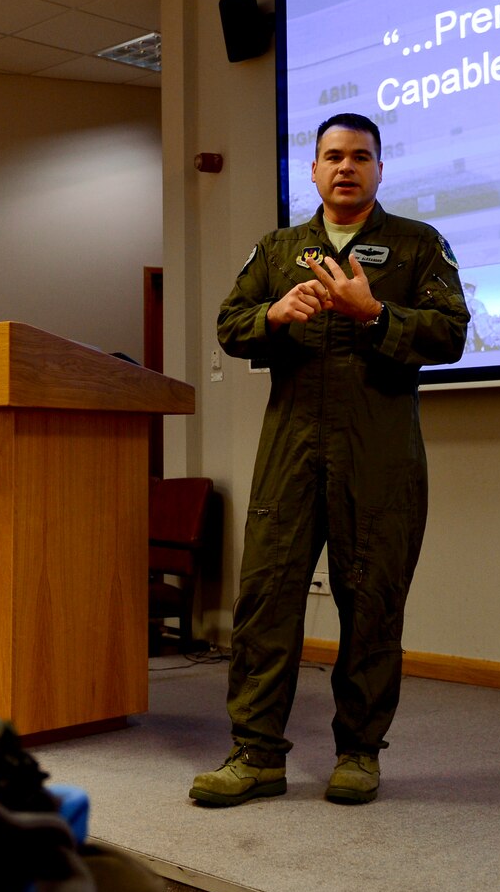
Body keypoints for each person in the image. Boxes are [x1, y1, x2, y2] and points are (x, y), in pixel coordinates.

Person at [192, 114, 467, 808]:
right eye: (333, 156)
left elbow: (452, 332)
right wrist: (274, 314)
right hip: (291, 446)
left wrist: (374, 314)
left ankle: (358, 752)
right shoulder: (280, 249)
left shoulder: (416, 244)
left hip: (379, 452)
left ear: (379, 169)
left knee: (371, 602)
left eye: (361, 157)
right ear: (313, 170)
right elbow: (230, 323)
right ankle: (255, 754)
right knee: (265, 597)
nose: (346, 167)